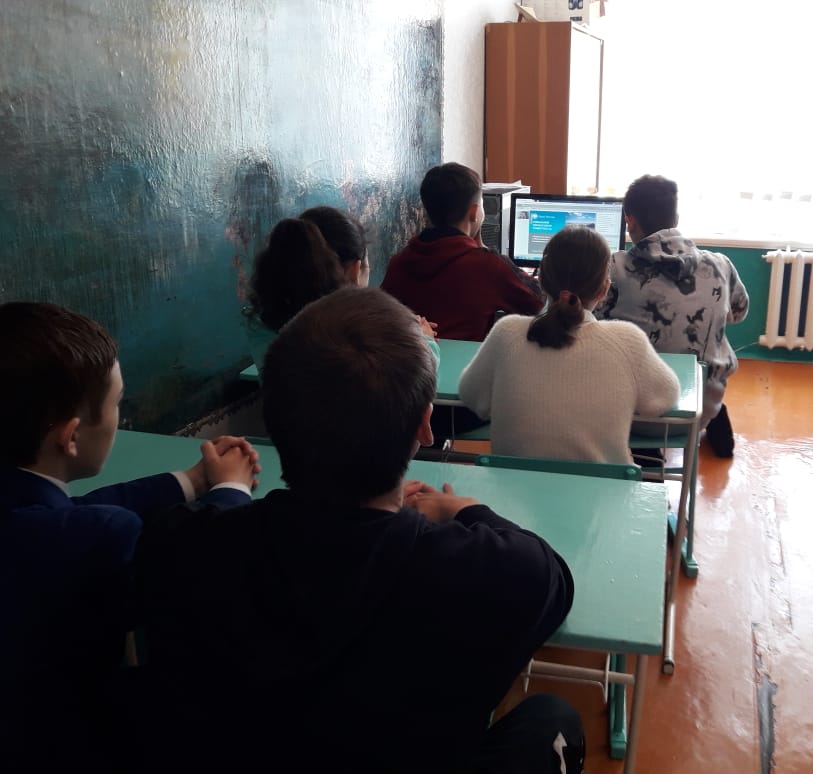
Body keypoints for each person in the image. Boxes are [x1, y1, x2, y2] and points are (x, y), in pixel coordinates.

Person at [133, 286, 584, 773]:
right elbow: (553, 579)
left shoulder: (179, 546)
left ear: (273, 421)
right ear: (424, 426)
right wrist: (466, 508)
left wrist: (228, 494)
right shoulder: (499, 571)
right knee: (553, 716)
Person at [0, 302, 259, 772]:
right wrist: (231, 491)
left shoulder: (34, 517)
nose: (119, 416)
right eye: (118, 403)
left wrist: (191, 481)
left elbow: (69, 511)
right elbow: (198, 565)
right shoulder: (99, 539)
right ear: (71, 437)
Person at [459, 226, 681, 464]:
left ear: (541, 280)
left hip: (507, 486)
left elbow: (472, 396)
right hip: (603, 487)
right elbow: (665, 398)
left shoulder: (507, 332)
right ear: (604, 289)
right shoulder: (627, 340)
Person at [596, 174, 749, 459]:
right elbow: (738, 313)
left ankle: (645, 456)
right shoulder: (720, 264)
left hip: (633, 413)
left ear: (629, 221)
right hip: (700, 408)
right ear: (676, 218)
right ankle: (715, 415)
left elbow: (592, 323)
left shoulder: (614, 268)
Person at [245, 212, 437, 377]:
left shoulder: (260, 322)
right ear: (355, 271)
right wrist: (423, 340)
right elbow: (411, 376)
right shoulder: (350, 334)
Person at [380, 162, 544, 342]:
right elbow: (539, 303)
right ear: (474, 212)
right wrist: (485, 251)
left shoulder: (399, 263)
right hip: (467, 360)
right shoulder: (488, 266)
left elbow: (381, 316)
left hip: (416, 359)